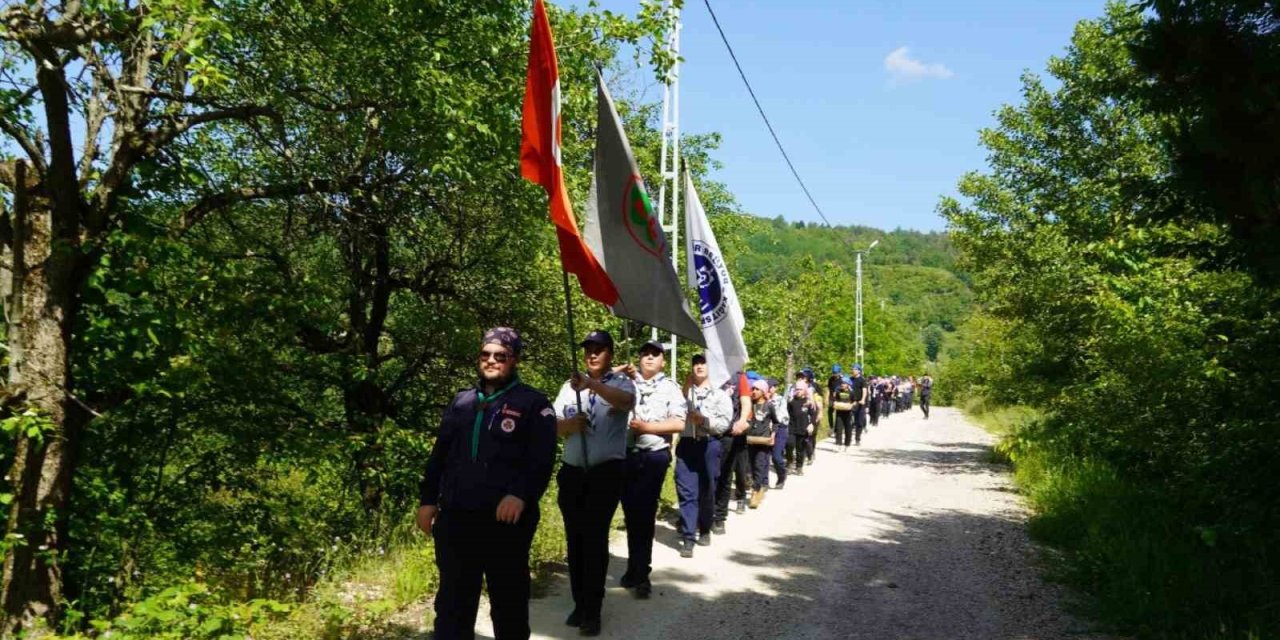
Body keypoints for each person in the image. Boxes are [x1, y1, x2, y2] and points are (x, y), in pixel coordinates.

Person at [417, 327, 558, 640]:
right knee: (453, 603)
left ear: (515, 360)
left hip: (504, 522)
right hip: (456, 519)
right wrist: (428, 500)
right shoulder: (462, 401)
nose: (491, 361)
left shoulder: (533, 403)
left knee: (508, 604)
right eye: (485, 354)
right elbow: (440, 454)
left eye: (500, 356)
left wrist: (520, 494)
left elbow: (541, 459)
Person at [553, 330, 636, 636]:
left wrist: (592, 385)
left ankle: (594, 610)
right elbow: (550, 424)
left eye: (599, 349)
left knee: (594, 539)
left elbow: (626, 403)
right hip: (573, 472)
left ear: (610, 354)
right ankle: (579, 603)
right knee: (575, 541)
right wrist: (567, 425)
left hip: (605, 472)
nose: (592, 354)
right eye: (588, 349)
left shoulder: (621, 383)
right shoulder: (568, 386)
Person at [618, 340, 685, 599]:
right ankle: (634, 566)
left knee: (644, 514)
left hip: (653, 456)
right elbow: (596, 383)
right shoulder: (626, 383)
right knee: (630, 512)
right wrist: (619, 370)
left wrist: (648, 428)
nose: (648, 358)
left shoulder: (670, 388)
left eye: (654, 354)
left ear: (663, 361)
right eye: (644, 353)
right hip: (625, 455)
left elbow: (678, 423)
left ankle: (642, 573)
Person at [675, 353, 732, 558]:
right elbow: (674, 411)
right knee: (686, 490)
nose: (699, 366)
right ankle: (689, 536)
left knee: (707, 487)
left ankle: (705, 526)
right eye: (695, 363)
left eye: (703, 363)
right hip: (687, 444)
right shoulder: (683, 392)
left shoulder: (719, 394)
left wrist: (704, 421)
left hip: (709, 443)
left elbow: (725, 422)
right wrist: (684, 390)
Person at [714, 370, 753, 528]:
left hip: (731, 432)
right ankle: (701, 513)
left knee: (725, 474)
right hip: (709, 431)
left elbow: (745, 401)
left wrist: (743, 420)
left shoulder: (739, 376)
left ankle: (720, 516)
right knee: (706, 475)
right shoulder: (709, 371)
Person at [745, 379, 782, 508]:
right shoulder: (748, 405)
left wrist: (772, 435)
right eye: (753, 389)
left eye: (757, 389)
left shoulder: (769, 406)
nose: (754, 391)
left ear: (763, 391)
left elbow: (776, 422)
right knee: (748, 468)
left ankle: (755, 493)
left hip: (763, 441)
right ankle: (756, 488)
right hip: (749, 440)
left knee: (759, 467)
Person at [785, 380, 817, 476]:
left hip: (803, 429)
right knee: (789, 445)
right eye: (796, 389)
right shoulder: (791, 402)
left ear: (804, 390)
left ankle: (799, 467)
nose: (797, 391)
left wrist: (811, 424)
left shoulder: (808, 402)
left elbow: (813, 415)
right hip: (792, 428)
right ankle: (789, 463)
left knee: (800, 449)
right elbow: (787, 414)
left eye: (800, 389)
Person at [767, 377, 790, 490]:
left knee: (776, 457)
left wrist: (773, 422)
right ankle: (763, 483)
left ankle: (782, 475)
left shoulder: (781, 400)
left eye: (770, 387)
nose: (768, 389)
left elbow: (780, 416)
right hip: (765, 429)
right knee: (764, 457)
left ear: (775, 388)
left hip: (780, 429)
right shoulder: (763, 399)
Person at [831, 377, 856, 451]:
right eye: (841, 383)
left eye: (844, 383)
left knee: (848, 429)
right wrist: (834, 403)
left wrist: (851, 405)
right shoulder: (838, 391)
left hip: (848, 413)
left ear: (848, 384)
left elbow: (854, 401)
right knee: (839, 429)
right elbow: (835, 399)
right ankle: (838, 444)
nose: (842, 384)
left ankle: (847, 445)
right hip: (839, 413)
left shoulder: (851, 392)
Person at [850, 365, 869, 446]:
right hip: (851, 403)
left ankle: (857, 439)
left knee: (859, 422)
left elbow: (864, 391)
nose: (853, 370)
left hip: (859, 403)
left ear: (859, 371)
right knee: (850, 421)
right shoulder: (850, 379)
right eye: (852, 369)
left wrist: (863, 399)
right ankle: (849, 437)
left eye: (854, 369)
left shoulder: (862, 380)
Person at [826, 364, 842, 443]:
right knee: (829, 412)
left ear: (839, 372)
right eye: (833, 372)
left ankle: (837, 430)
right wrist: (827, 398)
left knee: (838, 414)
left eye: (836, 372)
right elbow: (828, 389)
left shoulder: (842, 380)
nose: (834, 374)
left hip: (839, 399)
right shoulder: (831, 379)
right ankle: (831, 427)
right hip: (832, 398)